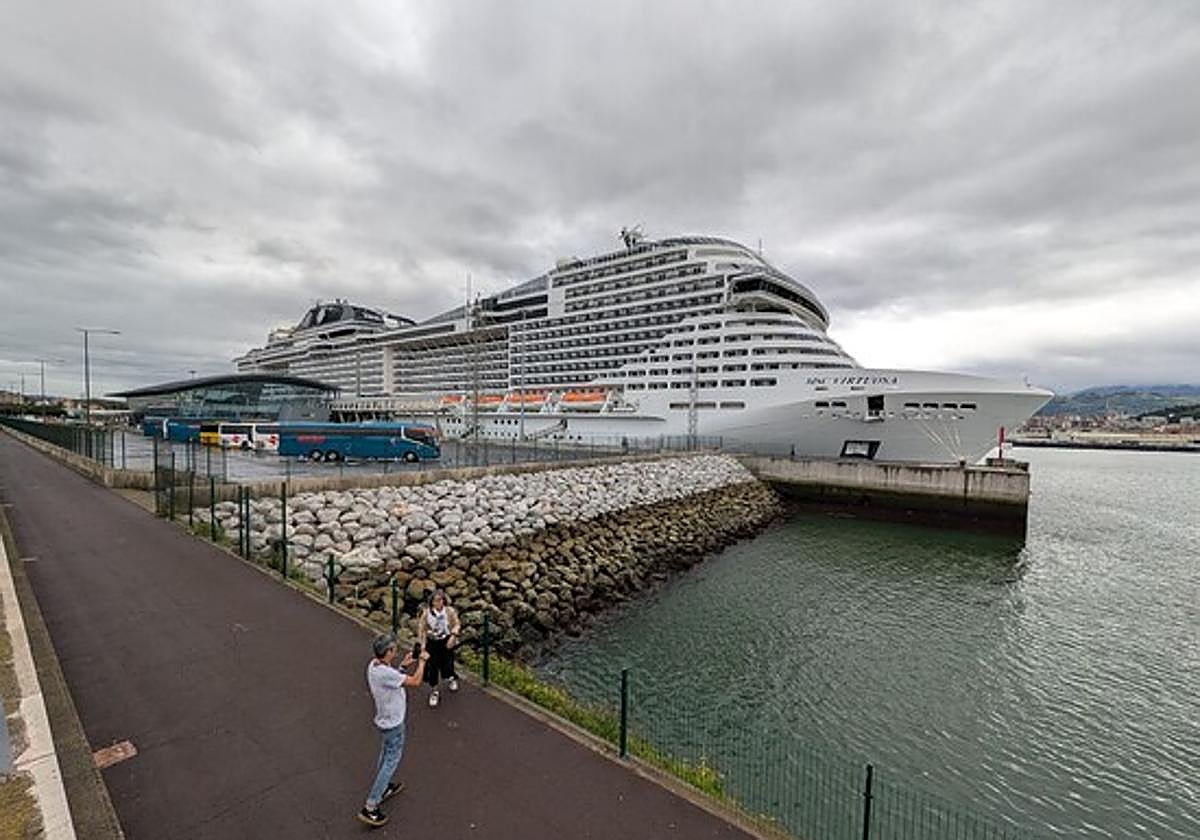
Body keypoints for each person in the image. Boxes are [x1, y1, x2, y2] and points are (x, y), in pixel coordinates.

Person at [359, 633, 428, 828]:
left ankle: (384, 788)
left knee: (386, 753)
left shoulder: (374, 667)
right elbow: (415, 682)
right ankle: (371, 806)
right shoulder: (386, 673)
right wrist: (422, 662)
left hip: (384, 720)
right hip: (394, 723)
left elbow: (393, 679)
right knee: (391, 760)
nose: (396, 651)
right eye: (394, 649)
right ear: (388, 652)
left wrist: (404, 665)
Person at [418, 589, 461, 708]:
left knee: (448, 663)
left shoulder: (449, 611)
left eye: (441, 600)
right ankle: (434, 691)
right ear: (431, 602)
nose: (439, 603)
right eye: (436, 600)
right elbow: (422, 630)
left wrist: (453, 635)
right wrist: (423, 646)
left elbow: (457, 624)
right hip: (432, 642)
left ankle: (451, 678)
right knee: (432, 667)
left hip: (446, 641)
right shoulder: (426, 613)